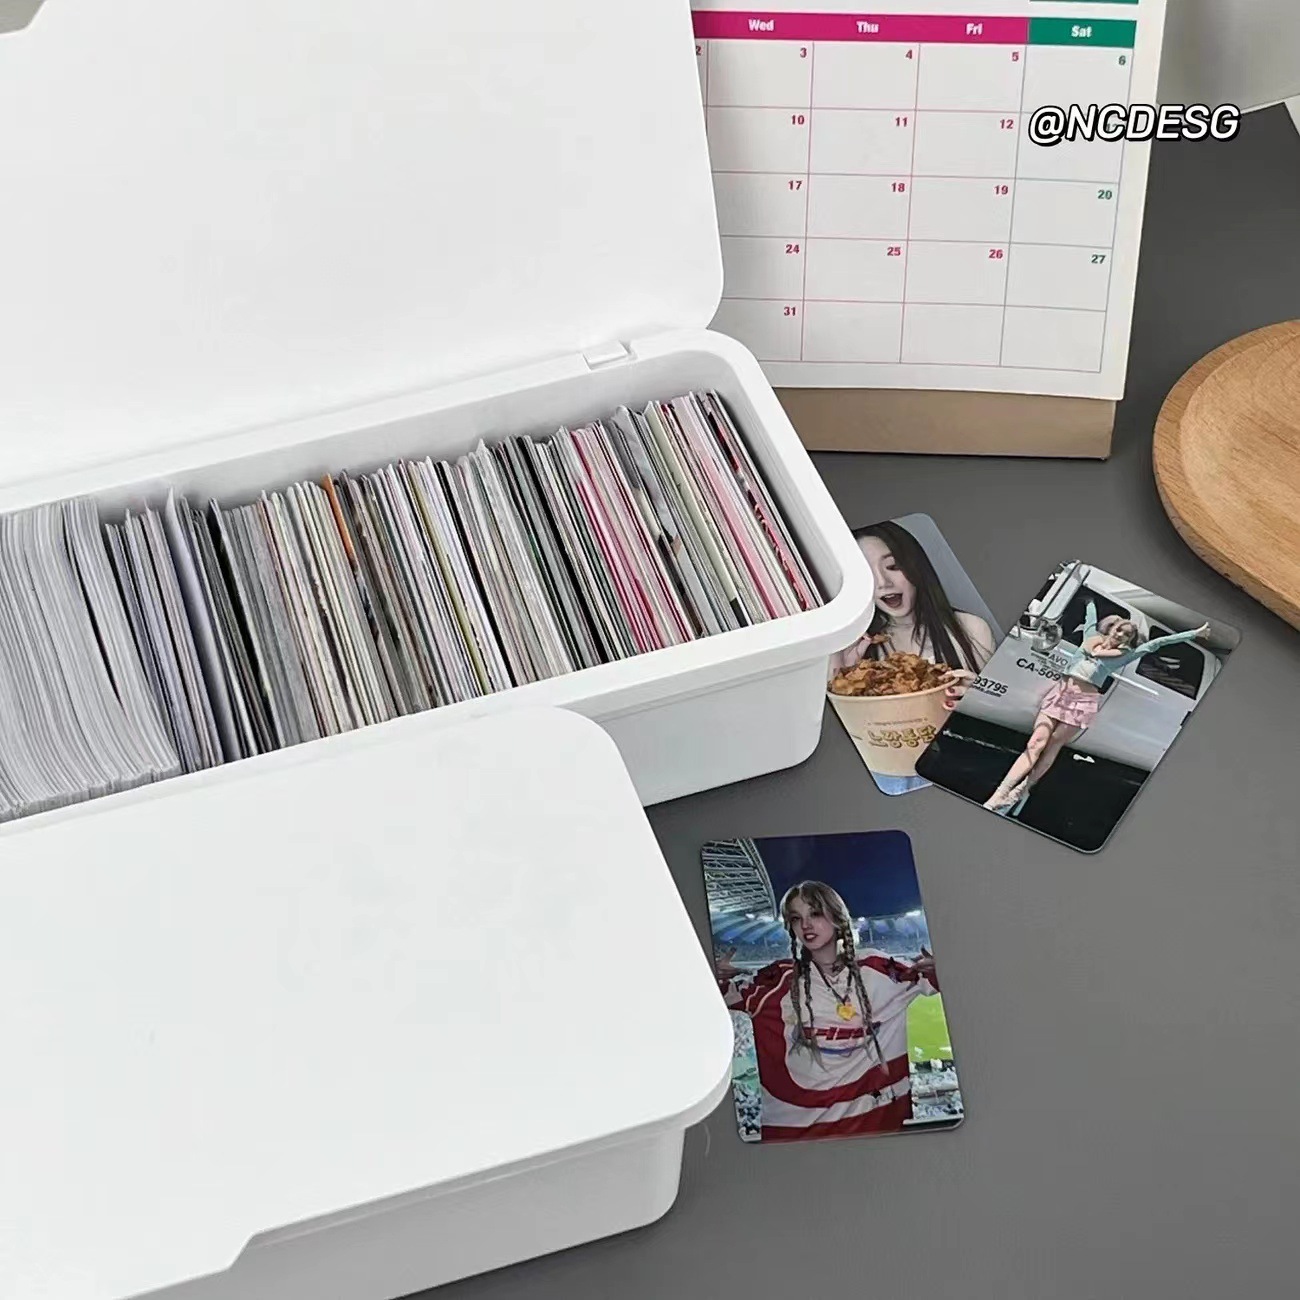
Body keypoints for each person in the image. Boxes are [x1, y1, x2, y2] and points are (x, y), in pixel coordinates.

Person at [715, 880, 941, 1142]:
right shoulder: (776, 982)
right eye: (796, 918)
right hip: (798, 1141)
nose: (806, 925)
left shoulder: (879, 971)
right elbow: (710, 998)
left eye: (815, 913)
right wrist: (711, 976)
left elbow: (945, 981)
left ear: (837, 917)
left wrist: (941, 966)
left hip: (874, 1137)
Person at [982, 599, 1212, 817]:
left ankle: (1022, 790)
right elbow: (1090, 617)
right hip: (1059, 694)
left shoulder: (1123, 656)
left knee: (1054, 745)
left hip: (1082, 702)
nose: (1120, 635)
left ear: (1129, 639)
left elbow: (1156, 644)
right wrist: (1088, 600)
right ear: (1111, 628)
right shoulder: (1090, 638)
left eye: (1127, 634)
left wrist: (1194, 634)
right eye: (1119, 629)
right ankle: (1000, 793)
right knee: (1035, 743)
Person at [828, 521, 996, 791]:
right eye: (866, 574)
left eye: (893, 566)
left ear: (916, 567)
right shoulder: (853, 647)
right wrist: (844, 676)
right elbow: (844, 744)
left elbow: (997, 729)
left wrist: (981, 702)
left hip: (964, 769)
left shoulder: (970, 630)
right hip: (888, 778)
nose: (882, 583)